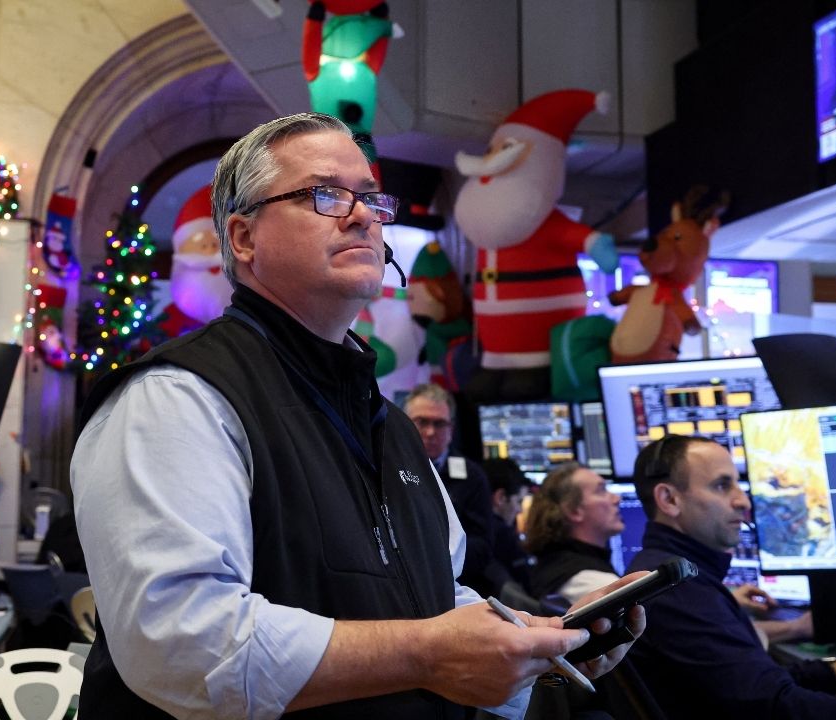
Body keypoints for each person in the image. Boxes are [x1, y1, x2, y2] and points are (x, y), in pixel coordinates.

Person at [70, 112, 646, 719]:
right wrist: (424, 654)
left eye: (371, 197)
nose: (365, 214)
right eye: (325, 194)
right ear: (243, 239)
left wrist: (534, 651)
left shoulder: (392, 426)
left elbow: (437, 600)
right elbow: (183, 645)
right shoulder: (177, 397)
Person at [625, 435, 836, 719]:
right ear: (669, 499)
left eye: (738, 484)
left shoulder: (673, 574)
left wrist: (834, 673)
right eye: (722, 485)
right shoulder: (679, 590)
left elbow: (746, 682)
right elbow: (773, 706)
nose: (743, 501)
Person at [404, 383, 496, 596]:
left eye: (439, 424)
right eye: (422, 422)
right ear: (404, 424)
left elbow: (482, 548)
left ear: (451, 430)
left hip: (459, 589)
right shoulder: (384, 468)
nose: (430, 432)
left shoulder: (472, 477)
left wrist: (434, 558)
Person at [523, 462, 624, 605]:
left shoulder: (556, 565)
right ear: (573, 511)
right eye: (601, 491)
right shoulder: (593, 583)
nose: (616, 498)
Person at [480, 457, 536, 597]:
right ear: (501, 498)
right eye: (519, 501)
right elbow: (530, 591)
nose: (520, 510)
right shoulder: (504, 536)